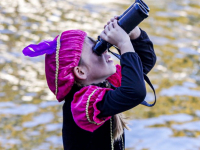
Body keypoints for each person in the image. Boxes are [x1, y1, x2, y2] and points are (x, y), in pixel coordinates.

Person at [22, 16, 156, 150]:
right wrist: (123, 44)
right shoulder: (83, 104)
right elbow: (135, 92)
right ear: (80, 72)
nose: (104, 50)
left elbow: (141, 66)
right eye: (96, 50)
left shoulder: (102, 83)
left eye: (99, 44)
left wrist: (133, 33)